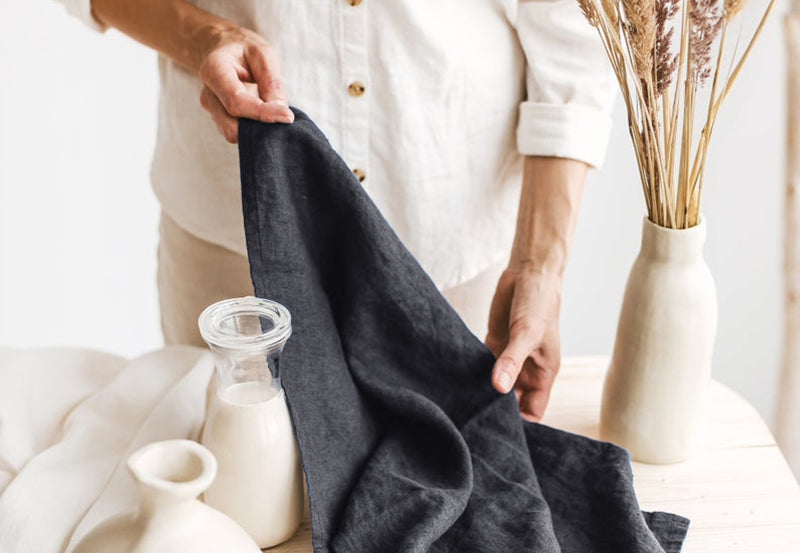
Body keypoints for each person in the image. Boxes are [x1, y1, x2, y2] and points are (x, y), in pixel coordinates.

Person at [59, 0, 614, 421]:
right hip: (232, 241)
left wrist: (540, 265)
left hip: (452, 251)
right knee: (226, 512)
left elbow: (574, 32)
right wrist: (203, 35)